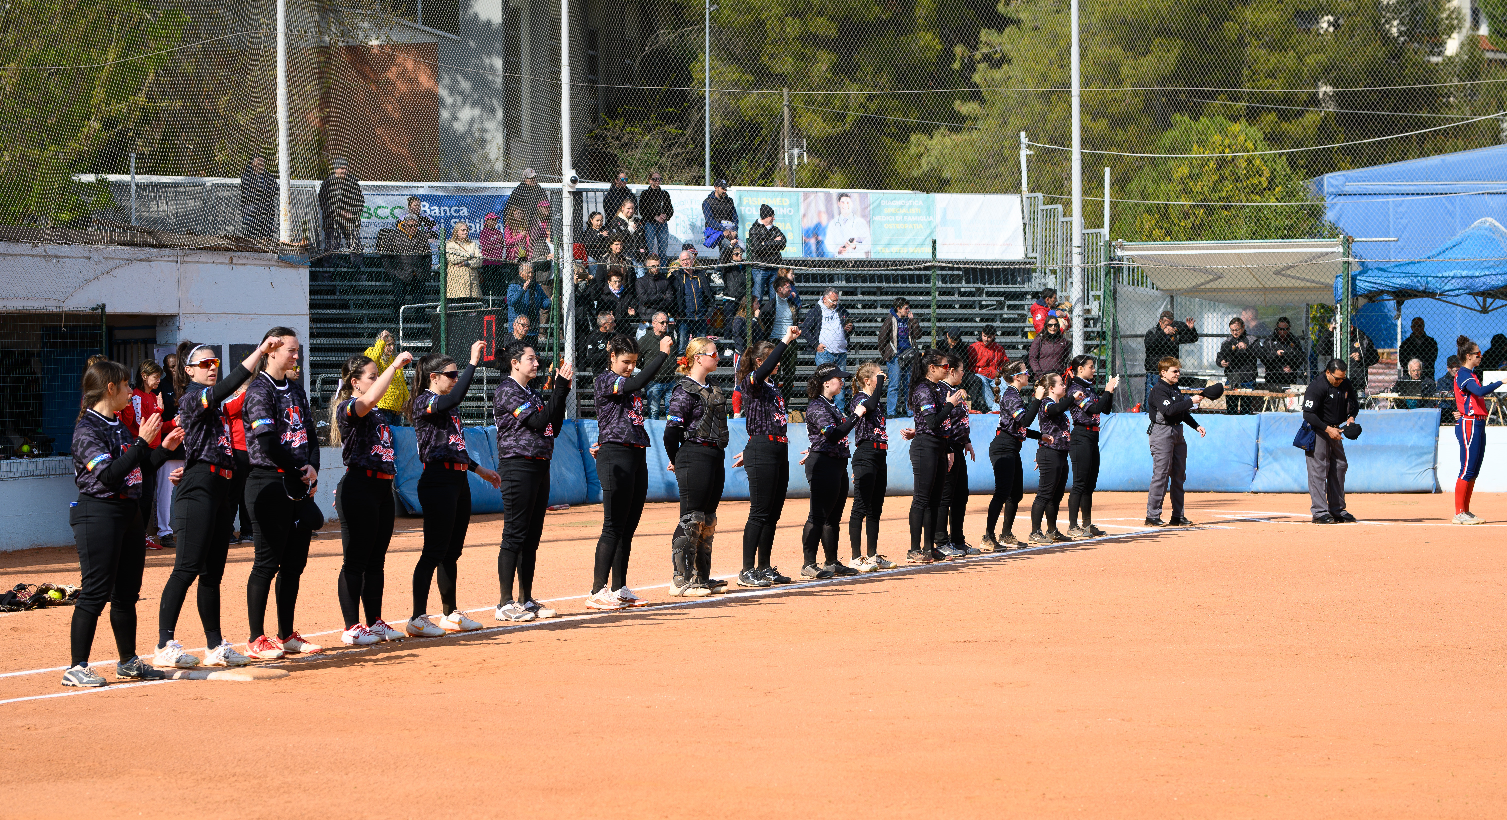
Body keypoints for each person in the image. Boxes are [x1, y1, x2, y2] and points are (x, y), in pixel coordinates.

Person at [152, 340, 281, 670]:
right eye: (205, 363)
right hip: (198, 489)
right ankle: (164, 643)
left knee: (212, 574)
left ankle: (215, 644)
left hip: (220, 487)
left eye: (214, 363)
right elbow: (230, 385)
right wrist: (260, 353)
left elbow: (237, 400)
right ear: (189, 370)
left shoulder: (215, 406)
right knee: (187, 568)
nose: (212, 367)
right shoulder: (193, 396)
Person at [61, 360, 183, 688]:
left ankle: (128, 662)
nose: (131, 391)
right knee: (96, 592)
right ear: (110, 388)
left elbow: (134, 471)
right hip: (99, 513)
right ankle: (76, 667)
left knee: (127, 593)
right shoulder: (88, 428)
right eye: (126, 385)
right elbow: (110, 476)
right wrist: (144, 443)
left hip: (129, 514)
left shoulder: (116, 423)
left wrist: (161, 450)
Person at [406, 343, 502, 637]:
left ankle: (450, 614)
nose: (455, 378)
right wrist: (473, 363)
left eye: (457, 373)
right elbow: (458, 394)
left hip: (458, 480)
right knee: (433, 551)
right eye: (451, 374)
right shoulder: (424, 401)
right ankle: (417, 617)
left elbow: (454, 447)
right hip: (437, 481)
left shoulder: (450, 404)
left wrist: (478, 469)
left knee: (452, 552)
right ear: (434, 377)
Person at [242, 327, 324, 659]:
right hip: (269, 482)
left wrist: (313, 467)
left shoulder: (295, 389)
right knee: (267, 562)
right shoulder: (259, 389)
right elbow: (267, 442)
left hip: (297, 482)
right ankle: (255, 638)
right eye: (291, 350)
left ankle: (287, 634)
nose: (296, 355)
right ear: (272, 351)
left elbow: (311, 435)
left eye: (297, 350)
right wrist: (296, 470)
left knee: (294, 564)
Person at [329, 348, 414, 646]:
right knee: (355, 561)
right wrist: (393, 366)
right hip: (360, 488)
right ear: (355, 382)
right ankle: (351, 626)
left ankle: (374, 622)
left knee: (376, 561)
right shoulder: (350, 407)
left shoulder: (376, 412)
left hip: (381, 489)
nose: (378, 381)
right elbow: (368, 401)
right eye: (372, 376)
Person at [587, 333, 674, 610]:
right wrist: (662, 354)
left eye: (634, 362)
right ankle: (597, 590)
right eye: (625, 361)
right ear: (612, 357)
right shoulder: (605, 379)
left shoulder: (629, 383)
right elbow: (637, 381)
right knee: (612, 526)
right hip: (616, 453)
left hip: (636, 451)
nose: (630, 367)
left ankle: (619, 587)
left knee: (628, 527)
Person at [492, 343, 573, 621]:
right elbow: (538, 422)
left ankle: (525, 600)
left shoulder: (533, 393)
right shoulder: (507, 389)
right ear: (515, 363)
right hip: (517, 465)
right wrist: (559, 388)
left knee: (531, 537)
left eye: (536, 359)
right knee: (515, 534)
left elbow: (554, 426)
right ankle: (505, 603)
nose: (536, 363)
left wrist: (561, 393)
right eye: (530, 359)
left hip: (540, 465)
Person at [730, 327, 801, 588]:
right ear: (761, 361)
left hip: (777, 449)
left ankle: (764, 567)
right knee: (759, 512)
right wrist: (786, 340)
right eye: (771, 359)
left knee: (772, 513)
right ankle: (747, 570)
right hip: (763, 447)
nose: (777, 363)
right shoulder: (752, 381)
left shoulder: (773, 387)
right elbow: (762, 371)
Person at [664, 337, 729, 597]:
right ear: (698, 357)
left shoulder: (714, 388)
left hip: (715, 454)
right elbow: (672, 432)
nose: (718, 358)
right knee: (691, 517)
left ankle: (701, 576)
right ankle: (680, 579)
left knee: (708, 519)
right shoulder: (684, 390)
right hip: (694, 453)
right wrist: (677, 459)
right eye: (714, 354)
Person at [802, 362, 873, 579]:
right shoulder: (817, 406)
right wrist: (856, 415)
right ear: (826, 383)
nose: (842, 382)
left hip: (837, 463)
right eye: (838, 379)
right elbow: (832, 434)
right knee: (818, 514)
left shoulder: (830, 404)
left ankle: (831, 562)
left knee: (833, 516)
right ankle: (808, 564)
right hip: (823, 463)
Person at [907, 351, 968, 563]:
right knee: (922, 499)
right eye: (943, 366)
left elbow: (943, 423)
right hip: (926, 446)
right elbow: (932, 422)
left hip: (940, 445)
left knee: (934, 500)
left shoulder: (936, 388)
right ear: (931, 368)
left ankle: (929, 547)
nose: (947, 369)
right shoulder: (923, 388)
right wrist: (950, 404)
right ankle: (915, 549)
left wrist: (950, 448)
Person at [981, 363, 1042, 551]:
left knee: (1015, 494)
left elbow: (1018, 426)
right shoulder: (1011, 395)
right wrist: (1038, 400)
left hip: (1011, 446)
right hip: (1003, 447)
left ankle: (1006, 534)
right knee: (1002, 493)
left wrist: (1040, 436)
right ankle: (988, 537)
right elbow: (1024, 421)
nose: (1028, 375)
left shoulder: (1014, 394)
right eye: (1025, 372)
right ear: (1016, 376)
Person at [1145, 357, 1205, 527]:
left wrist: (1196, 425)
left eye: (1178, 371)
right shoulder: (1159, 389)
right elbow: (1169, 410)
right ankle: (1152, 515)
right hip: (1162, 432)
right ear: (1163, 373)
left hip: (1178, 432)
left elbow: (1182, 411)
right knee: (1161, 474)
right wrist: (1190, 401)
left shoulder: (1175, 388)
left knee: (1179, 475)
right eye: (1174, 371)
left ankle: (1177, 516)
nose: (1178, 374)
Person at [846, 363, 895, 570]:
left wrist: (881, 380)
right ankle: (856, 557)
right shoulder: (860, 399)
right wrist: (882, 383)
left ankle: (872, 555)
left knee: (875, 508)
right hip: (865, 452)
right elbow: (871, 405)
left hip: (879, 453)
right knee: (860, 506)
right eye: (878, 375)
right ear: (868, 380)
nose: (882, 377)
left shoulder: (875, 400)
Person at [1065, 355, 1117, 538]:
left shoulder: (1088, 386)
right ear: (1080, 369)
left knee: (1090, 482)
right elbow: (1094, 409)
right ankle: (1072, 525)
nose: (1094, 370)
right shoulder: (1075, 388)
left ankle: (1086, 524)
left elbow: (1106, 409)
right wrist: (1107, 391)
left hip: (1093, 435)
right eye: (1090, 367)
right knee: (1080, 482)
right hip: (1081, 435)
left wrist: (1109, 392)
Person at [1302, 359, 1360, 525]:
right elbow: (1308, 414)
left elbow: (1354, 403)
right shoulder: (1317, 386)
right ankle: (1320, 512)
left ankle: (1337, 510)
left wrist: (1350, 417)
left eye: (1342, 378)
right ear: (1328, 372)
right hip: (1318, 430)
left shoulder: (1345, 383)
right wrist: (1328, 429)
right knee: (1319, 470)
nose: (1340, 381)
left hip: (1336, 430)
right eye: (1337, 378)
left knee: (1340, 466)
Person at [932, 354, 979, 556]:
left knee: (961, 495)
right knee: (946, 494)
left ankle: (957, 540)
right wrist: (950, 447)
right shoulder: (942, 392)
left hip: (959, 446)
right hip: (947, 448)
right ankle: (941, 540)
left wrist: (966, 440)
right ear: (951, 371)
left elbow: (959, 420)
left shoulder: (954, 391)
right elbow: (942, 422)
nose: (963, 374)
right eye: (960, 370)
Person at [1451, 336, 1501, 524]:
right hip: (1469, 422)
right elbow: (1479, 393)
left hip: (1478, 422)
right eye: (1478, 354)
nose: (1480, 357)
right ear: (1468, 356)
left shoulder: (1471, 374)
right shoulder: (1463, 374)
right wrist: (1500, 382)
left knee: (1474, 469)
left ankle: (1466, 510)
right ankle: (1459, 513)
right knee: (1467, 467)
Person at [120, 361, 164, 549]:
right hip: (142, 449)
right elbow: (141, 424)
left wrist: (172, 423)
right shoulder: (137, 396)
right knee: (141, 495)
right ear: (144, 376)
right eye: (155, 377)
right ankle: (137, 534)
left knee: (148, 495)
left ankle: (142, 534)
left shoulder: (152, 396)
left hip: (152, 449)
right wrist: (159, 410)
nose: (158, 381)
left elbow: (158, 425)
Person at [1027, 373, 1074, 545]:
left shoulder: (1056, 404)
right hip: (1050, 452)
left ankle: (1052, 530)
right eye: (1060, 384)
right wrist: (1072, 398)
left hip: (1061, 452)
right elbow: (1056, 410)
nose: (1064, 386)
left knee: (1056, 494)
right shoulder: (1047, 403)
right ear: (1051, 388)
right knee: (1045, 494)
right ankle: (1035, 532)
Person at [801, 288, 854, 412]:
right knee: (825, 383)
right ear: (824, 299)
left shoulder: (841, 310)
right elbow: (805, 329)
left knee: (840, 383)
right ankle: (824, 411)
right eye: (833, 301)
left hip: (841, 353)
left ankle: (839, 413)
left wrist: (850, 328)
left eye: (837, 300)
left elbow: (850, 324)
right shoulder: (816, 311)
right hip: (825, 353)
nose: (835, 303)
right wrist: (815, 344)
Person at [1143, 311, 1199, 408]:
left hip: (1171, 373)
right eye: (1167, 324)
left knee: (1170, 399)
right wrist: (1163, 333)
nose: (1169, 327)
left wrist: (1191, 329)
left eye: (1171, 324)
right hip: (1156, 372)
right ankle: (1149, 414)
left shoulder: (1174, 334)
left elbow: (1193, 338)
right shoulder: (1153, 332)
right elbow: (1149, 344)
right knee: (1152, 399)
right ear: (1160, 322)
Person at [878, 297, 920, 416]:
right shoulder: (890, 320)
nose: (908, 310)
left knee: (909, 384)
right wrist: (887, 354)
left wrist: (913, 321)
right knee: (894, 385)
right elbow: (881, 338)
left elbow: (918, 335)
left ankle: (910, 411)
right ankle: (891, 412)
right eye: (906, 308)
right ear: (898, 308)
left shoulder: (909, 320)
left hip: (909, 356)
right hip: (895, 356)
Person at [363, 330, 411, 427]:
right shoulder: (372, 353)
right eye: (388, 345)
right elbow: (371, 360)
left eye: (393, 344)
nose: (392, 348)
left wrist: (407, 400)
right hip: (382, 407)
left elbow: (401, 382)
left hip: (396, 409)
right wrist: (381, 341)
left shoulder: (394, 360)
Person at [318, 158, 364, 253]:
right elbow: (324, 204)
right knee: (332, 247)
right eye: (342, 168)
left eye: (346, 168)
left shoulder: (353, 183)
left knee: (356, 247)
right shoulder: (327, 183)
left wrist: (352, 213)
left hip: (350, 220)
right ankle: (329, 267)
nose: (344, 171)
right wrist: (339, 212)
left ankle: (358, 267)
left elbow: (360, 201)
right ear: (336, 169)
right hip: (332, 220)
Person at [638, 312, 678, 418]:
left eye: (666, 322)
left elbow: (674, 355)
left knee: (672, 411)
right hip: (653, 382)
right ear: (654, 323)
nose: (665, 324)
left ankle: (670, 433)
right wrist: (646, 369)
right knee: (654, 411)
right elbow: (636, 358)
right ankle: (654, 435)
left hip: (670, 380)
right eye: (662, 322)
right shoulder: (645, 339)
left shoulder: (670, 338)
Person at [1218, 317, 1261, 415]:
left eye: (1237, 330)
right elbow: (1220, 356)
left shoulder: (1251, 340)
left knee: (1245, 410)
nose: (1235, 333)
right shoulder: (1227, 342)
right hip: (1232, 379)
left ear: (1243, 327)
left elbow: (1261, 354)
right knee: (1231, 410)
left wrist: (1247, 348)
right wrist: (1221, 362)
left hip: (1248, 379)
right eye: (1232, 330)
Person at [671, 250, 714, 347]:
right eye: (682, 260)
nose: (685, 262)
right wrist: (675, 314)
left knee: (700, 347)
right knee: (682, 348)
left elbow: (710, 294)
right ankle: (682, 362)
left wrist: (708, 313)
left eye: (687, 259)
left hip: (701, 317)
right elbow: (671, 297)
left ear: (692, 260)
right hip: (683, 318)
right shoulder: (676, 276)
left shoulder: (701, 275)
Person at [747, 204, 786, 299]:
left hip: (773, 267)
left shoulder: (775, 229)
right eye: (772, 216)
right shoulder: (754, 229)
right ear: (766, 217)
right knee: (757, 296)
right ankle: (755, 314)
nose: (774, 218)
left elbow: (783, 243)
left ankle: (772, 314)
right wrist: (774, 242)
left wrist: (765, 243)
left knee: (774, 297)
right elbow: (757, 248)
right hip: (760, 267)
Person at [969, 325, 1008, 411]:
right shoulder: (974, 347)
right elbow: (968, 365)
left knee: (1005, 383)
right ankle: (995, 409)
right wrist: (978, 370)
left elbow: (1005, 363)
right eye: (984, 336)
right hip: (980, 375)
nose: (986, 339)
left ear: (994, 336)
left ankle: (1000, 408)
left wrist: (1000, 371)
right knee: (982, 381)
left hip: (995, 377)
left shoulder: (998, 348)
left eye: (989, 337)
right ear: (982, 334)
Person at [1262, 317, 1307, 388]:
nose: (1282, 331)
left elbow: (1301, 356)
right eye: (1280, 329)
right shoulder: (1270, 340)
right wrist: (1276, 354)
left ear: (1289, 329)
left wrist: (1292, 367)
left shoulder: (1294, 340)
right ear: (1277, 328)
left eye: (1285, 329)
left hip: (1289, 378)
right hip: (1273, 377)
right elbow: (1264, 358)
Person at [507, 262, 551, 334]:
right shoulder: (514, 285)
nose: (530, 275)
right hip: (518, 330)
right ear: (521, 273)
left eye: (532, 272)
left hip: (533, 328)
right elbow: (512, 302)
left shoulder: (536, 286)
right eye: (528, 273)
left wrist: (551, 301)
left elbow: (544, 304)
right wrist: (523, 290)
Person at [824, 192, 871, 257]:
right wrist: (837, 249)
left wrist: (855, 246)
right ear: (838, 204)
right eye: (842, 202)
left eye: (848, 202)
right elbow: (828, 242)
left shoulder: (860, 222)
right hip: (841, 260)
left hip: (857, 260)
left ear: (851, 203)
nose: (845, 205)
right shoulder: (833, 223)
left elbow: (868, 243)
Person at [639, 171, 673, 261]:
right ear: (650, 180)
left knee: (663, 249)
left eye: (659, 179)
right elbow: (642, 210)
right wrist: (655, 217)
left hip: (662, 224)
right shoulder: (645, 194)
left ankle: (662, 270)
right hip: (650, 223)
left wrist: (665, 216)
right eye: (655, 179)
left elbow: (670, 209)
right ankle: (650, 269)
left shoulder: (664, 194)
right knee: (649, 248)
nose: (657, 181)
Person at [240, 156, 276, 239]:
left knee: (267, 240)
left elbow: (275, 189)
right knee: (250, 241)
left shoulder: (268, 176)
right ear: (253, 164)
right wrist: (265, 190)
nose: (261, 165)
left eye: (262, 163)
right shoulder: (247, 176)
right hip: (251, 214)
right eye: (259, 163)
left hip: (267, 214)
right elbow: (249, 194)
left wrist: (260, 189)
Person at [445, 221, 483, 299]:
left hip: (471, 282)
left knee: (472, 308)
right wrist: (470, 255)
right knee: (457, 306)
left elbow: (479, 260)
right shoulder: (450, 244)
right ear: (457, 231)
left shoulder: (473, 244)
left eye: (466, 230)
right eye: (463, 230)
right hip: (456, 282)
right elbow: (453, 259)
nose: (465, 232)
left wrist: (466, 263)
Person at [636, 255, 675, 323]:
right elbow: (643, 299)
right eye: (653, 266)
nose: (656, 268)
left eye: (658, 265)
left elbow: (670, 301)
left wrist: (650, 304)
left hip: (662, 320)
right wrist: (661, 296)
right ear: (647, 265)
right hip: (647, 319)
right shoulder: (640, 281)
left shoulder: (665, 281)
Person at [1438, 355, 1462, 425]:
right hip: (1449, 413)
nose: (1455, 369)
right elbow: (1443, 403)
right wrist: (1454, 413)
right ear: (1448, 368)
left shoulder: (1465, 379)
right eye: (1452, 366)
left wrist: (1461, 412)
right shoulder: (1442, 381)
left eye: (1457, 366)